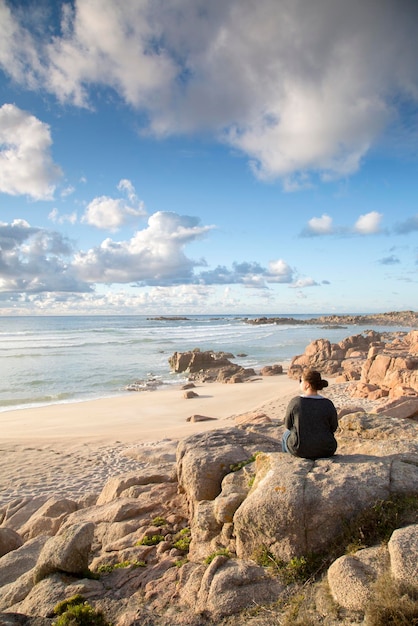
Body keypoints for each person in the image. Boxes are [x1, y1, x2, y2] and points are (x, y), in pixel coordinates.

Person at [282, 369, 338, 460]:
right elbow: (334, 427)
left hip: (300, 449)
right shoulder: (328, 403)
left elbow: (288, 425)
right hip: (327, 449)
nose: (300, 383)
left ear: (307, 384)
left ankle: (288, 462)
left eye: (301, 380)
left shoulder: (296, 402)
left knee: (286, 434)